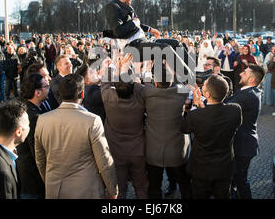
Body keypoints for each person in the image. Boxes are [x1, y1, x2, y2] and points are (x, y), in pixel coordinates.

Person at [35, 74, 118, 199]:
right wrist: (113, 189)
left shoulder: (42, 120)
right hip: (86, 189)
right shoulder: (92, 120)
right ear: (82, 94)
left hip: (55, 188)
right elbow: (104, 159)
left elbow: (40, 160)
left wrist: (49, 180)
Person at [181, 75, 242, 199]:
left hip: (201, 168)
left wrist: (195, 107)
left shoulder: (195, 115)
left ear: (207, 94)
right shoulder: (235, 110)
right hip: (224, 167)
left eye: (203, 86)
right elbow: (214, 117)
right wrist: (201, 107)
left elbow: (184, 129)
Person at [100, 56, 148, 199]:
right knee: (141, 186)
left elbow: (105, 81)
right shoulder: (140, 99)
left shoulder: (108, 96)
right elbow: (142, 88)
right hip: (138, 150)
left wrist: (116, 64)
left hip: (116, 150)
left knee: (120, 189)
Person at [140, 67, 191, 199]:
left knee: (154, 186)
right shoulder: (181, 92)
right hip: (177, 148)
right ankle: (174, 187)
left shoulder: (147, 92)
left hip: (153, 149)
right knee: (185, 184)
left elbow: (144, 83)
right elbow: (185, 82)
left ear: (155, 82)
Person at [227, 65, 265, 199]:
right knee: (235, 178)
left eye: (245, 72)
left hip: (243, 145)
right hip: (242, 142)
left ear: (252, 80)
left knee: (240, 179)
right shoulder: (247, 91)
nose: (241, 73)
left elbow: (225, 107)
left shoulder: (248, 95)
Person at [16, 73, 49, 199]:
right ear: (37, 93)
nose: (48, 88)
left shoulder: (25, 107)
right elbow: (37, 151)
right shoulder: (34, 117)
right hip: (33, 179)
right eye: (46, 86)